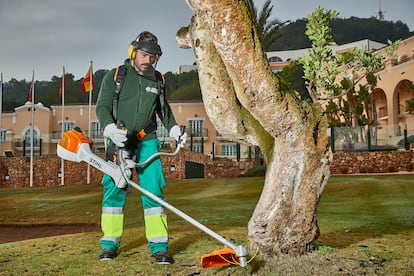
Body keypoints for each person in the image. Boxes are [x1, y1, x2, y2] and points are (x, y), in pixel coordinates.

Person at [95, 31, 186, 264]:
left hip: (147, 139)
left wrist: (174, 129)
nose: (149, 61)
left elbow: (163, 111)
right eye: (145, 55)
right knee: (114, 188)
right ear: (133, 52)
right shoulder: (116, 75)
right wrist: (108, 128)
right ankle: (109, 243)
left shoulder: (158, 79)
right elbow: (103, 106)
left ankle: (159, 246)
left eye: (153, 57)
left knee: (153, 189)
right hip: (118, 138)